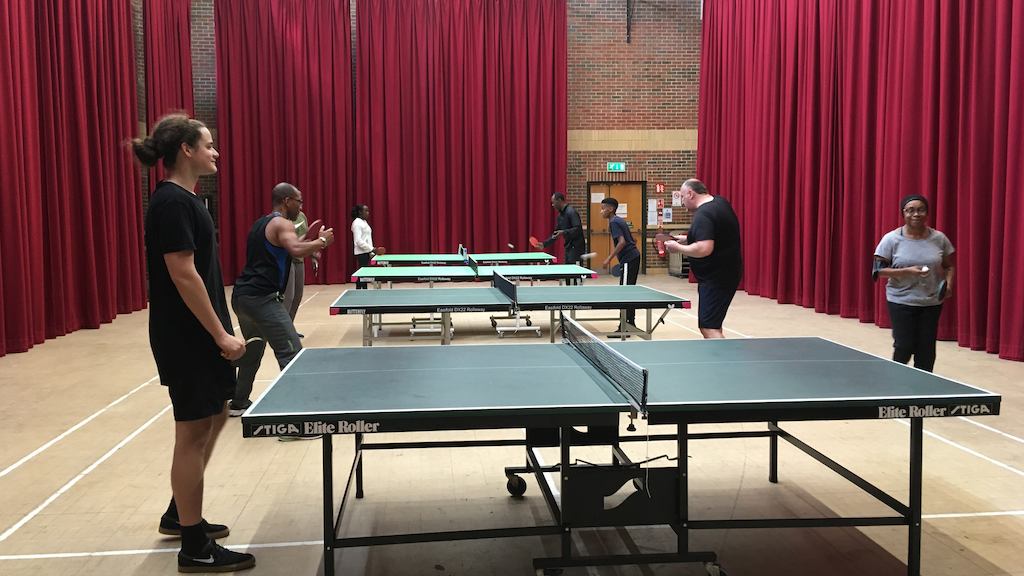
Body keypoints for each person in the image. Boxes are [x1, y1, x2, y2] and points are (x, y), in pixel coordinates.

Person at [132, 113, 255, 572]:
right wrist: (219, 333)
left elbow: (199, 273)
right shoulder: (172, 203)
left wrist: (222, 328)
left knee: (217, 413)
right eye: (208, 144)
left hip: (200, 334)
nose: (215, 151)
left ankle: (177, 511)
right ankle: (193, 546)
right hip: (186, 338)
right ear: (186, 150)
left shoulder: (188, 201)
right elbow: (183, 274)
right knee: (192, 431)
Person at [229, 183, 334, 417]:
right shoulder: (283, 223)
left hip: (242, 298)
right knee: (292, 353)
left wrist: (310, 246)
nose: (301, 207)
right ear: (287, 201)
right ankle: (297, 418)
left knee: (253, 350)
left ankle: (239, 402)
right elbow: (295, 249)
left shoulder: (261, 223)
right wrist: (322, 241)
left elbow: (288, 248)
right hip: (262, 299)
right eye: (299, 201)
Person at [872, 194, 955, 372]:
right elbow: (878, 271)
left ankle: (923, 387)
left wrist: (949, 285)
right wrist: (907, 271)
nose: (916, 214)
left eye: (920, 210)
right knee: (904, 346)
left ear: (927, 213)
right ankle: (897, 383)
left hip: (931, 302)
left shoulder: (939, 238)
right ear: (903, 213)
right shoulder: (891, 239)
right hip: (901, 301)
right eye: (910, 210)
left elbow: (949, 266)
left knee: (926, 351)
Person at [664, 179, 742, 339]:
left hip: (716, 279)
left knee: (709, 327)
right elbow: (718, 234)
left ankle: (723, 356)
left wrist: (677, 248)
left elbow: (704, 249)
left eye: (682, 197)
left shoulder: (703, 214)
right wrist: (689, 238)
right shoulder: (720, 203)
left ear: (690, 194)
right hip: (727, 273)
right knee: (714, 324)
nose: (682, 202)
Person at [599, 197, 642, 331]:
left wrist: (608, 259)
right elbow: (631, 240)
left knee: (624, 292)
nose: (601, 211)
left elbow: (622, 242)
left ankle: (624, 326)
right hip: (633, 257)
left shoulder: (614, 222)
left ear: (611, 209)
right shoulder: (618, 220)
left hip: (629, 259)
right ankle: (630, 323)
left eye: (603, 208)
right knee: (629, 291)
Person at [282, 210, 321, 337]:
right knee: (288, 297)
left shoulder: (302, 216)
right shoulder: (282, 219)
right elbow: (289, 243)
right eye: (298, 201)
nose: (300, 204)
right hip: (287, 259)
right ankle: (282, 331)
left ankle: (290, 328)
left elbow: (307, 238)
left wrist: (312, 254)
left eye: (301, 201)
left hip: (300, 260)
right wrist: (320, 241)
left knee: (297, 296)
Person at [539, 192, 586, 265]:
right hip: (568, 247)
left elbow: (577, 229)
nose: (552, 205)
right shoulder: (560, 216)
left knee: (575, 270)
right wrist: (544, 244)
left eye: (553, 202)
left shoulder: (571, 212)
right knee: (568, 270)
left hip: (576, 248)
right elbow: (556, 233)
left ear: (559, 200)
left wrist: (563, 232)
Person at [351, 204, 383, 289]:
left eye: (368, 211)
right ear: (360, 212)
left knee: (364, 273)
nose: (368, 213)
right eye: (366, 211)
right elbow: (358, 241)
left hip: (366, 252)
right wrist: (372, 249)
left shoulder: (364, 222)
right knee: (362, 274)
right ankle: (359, 291)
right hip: (361, 253)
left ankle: (362, 291)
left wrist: (371, 251)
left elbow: (367, 238)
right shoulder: (357, 223)